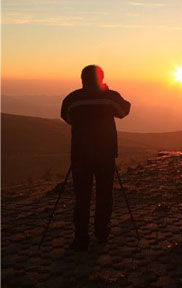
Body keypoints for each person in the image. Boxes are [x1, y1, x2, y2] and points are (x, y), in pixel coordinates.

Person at [61, 65, 131, 250]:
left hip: (80, 154)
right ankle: (101, 233)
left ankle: (81, 237)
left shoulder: (72, 98)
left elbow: (67, 117)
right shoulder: (109, 97)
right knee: (104, 194)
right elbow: (124, 111)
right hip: (105, 153)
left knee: (82, 196)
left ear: (82, 79)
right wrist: (106, 92)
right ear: (101, 78)